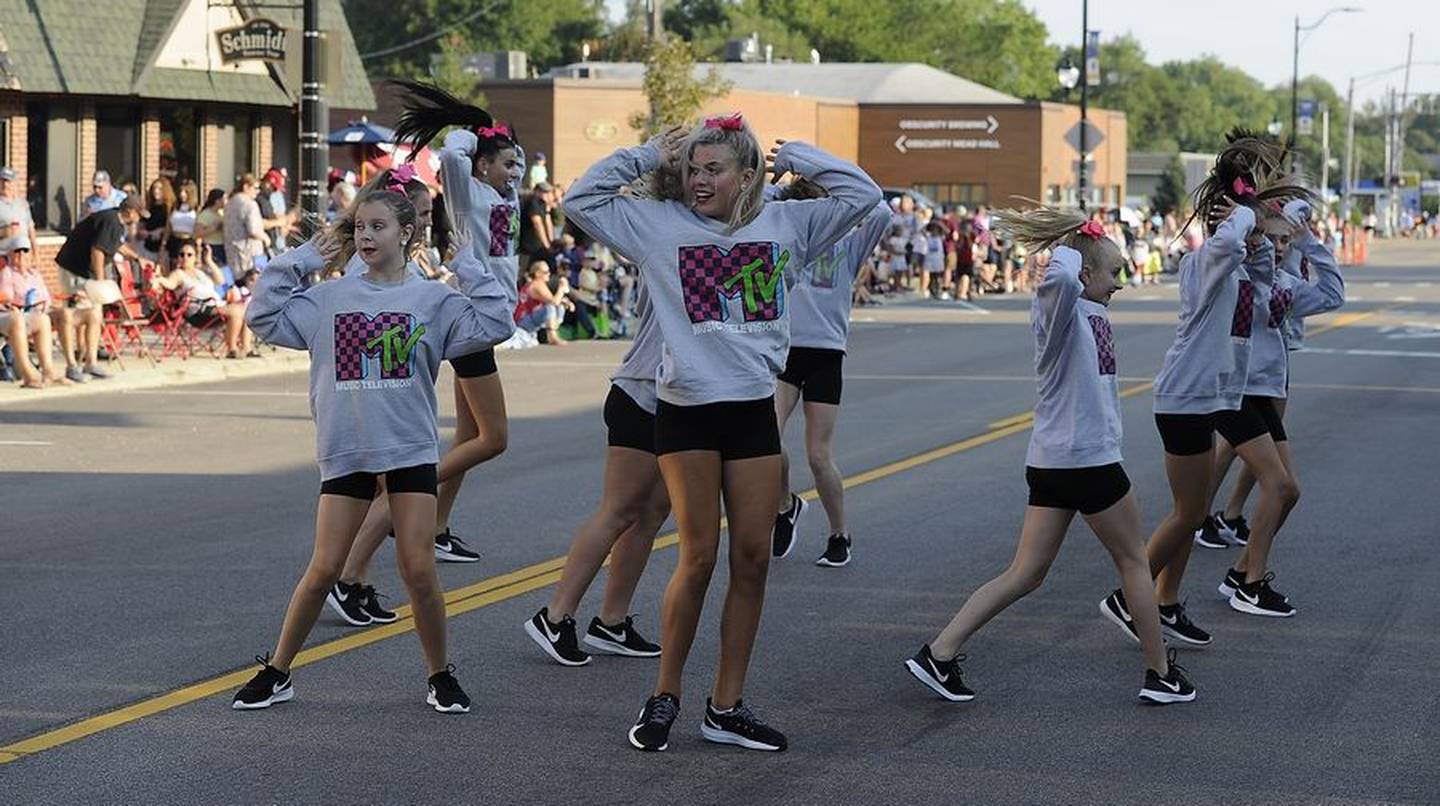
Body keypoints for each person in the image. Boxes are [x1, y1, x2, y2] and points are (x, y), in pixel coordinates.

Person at [565, 113, 882, 753]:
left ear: (747, 175)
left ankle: (726, 705)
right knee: (699, 555)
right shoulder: (657, 227)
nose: (698, 179)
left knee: (754, 558)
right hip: (685, 411)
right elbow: (581, 198)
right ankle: (665, 694)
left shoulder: (788, 224)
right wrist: (649, 152)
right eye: (691, 168)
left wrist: (799, 154)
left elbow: (864, 195)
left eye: (713, 169)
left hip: (752, 413)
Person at [232, 184, 516, 713]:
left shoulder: (435, 300)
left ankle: (440, 674)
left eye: (378, 226)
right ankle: (278, 670)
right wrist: (301, 259)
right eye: (360, 226)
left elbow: (497, 325)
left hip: (408, 452)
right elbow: (262, 316)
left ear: (407, 234)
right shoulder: (327, 298)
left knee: (419, 568)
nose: (365, 234)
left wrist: (469, 269)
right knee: (322, 570)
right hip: (347, 453)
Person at [904, 208, 1195, 706]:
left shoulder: (1093, 311)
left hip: (1057, 460)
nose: (1121, 282)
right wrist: (1072, 235)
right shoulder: (1059, 307)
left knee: (1027, 573)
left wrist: (1086, 245)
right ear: (1085, 274)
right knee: (1133, 564)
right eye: (1114, 272)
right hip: (1086, 461)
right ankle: (1160, 672)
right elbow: (1059, 273)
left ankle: (940, 652)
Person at [1100, 132, 1320, 645]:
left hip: (1212, 398)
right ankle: (1127, 598)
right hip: (1183, 397)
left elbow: (1265, 275)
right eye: (1249, 218)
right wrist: (1242, 207)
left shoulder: (1243, 267)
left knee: (1194, 512)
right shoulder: (1207, 262)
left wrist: (1263, 231)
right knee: (1187, 514)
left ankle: (1166, 600)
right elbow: (1227, 240)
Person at [321, 86, 528, 623]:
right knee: (489, 439)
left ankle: (426, 529)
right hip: (467, 319)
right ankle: (356, 565)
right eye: (508, 163)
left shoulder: (503, 198)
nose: (517, 173)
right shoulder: (467, 194)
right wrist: (471, 131)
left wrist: (492, 135)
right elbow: (456, 157)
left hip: (478, 318)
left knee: (467, 437)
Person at [1199, 199, 1344, 615]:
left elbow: (1333, 294)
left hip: (1262, 393)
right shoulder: (1232, 275)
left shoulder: (1285, 283)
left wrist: (1308, 242)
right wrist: (1242, 223)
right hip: (1231, 392)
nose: (1278, 246)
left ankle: (1240, 573)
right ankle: (1251, 584)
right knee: (1276, 487)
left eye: (1285, 240)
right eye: (1271, 237)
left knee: (1289, 492)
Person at [526, 278, 669, 665]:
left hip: (675, 400)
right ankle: (555, 616)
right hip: (642, 394)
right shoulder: (670, 247)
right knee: (618, 510)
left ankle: (611, 622)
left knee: (652, 513)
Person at [770, 180, 891, 567]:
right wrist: (785, 177)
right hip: (785, 351)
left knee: (819, 456)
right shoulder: (785, 238)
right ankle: (785, 504)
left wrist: (818, 170)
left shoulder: (850, 244)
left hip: (825, 353)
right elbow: (758, 201)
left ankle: (840, 534)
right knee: (766, 440)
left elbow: (881, 209)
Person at [54, 195, 148, 379]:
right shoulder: (111, 222)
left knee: (95, 315)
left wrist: (137, 258)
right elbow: (97, 251)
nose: (139, 219)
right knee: (77, 315)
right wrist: (100, 281)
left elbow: (116, 245)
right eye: (139, 214)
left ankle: (91, 362)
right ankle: (74, 364)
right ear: (130, 211)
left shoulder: (114, 220)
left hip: (83, 271)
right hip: (75, 270)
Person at [151, 240, 254, 358]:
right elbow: (169, 283)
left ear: (195, 257)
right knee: (236, 310)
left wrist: (209, 261)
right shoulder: (178, 274)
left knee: (246, 309)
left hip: (214, 306)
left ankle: (246, 347)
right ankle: (232, 349)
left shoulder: (200, 272)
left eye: (189, 255)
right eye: (182, 254)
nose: (185, 257)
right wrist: (158, 279)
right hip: (197, 311)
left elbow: (220, 281)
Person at [515, 260, 572, 345]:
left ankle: (553, 332)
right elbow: (553, 302)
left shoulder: (538, 284)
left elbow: (552, 300)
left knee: (559, 306)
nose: (549, 274)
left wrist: (565, 302)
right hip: (523, 321)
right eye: (546, 272)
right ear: (537, 273)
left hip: (528, 319)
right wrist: (561, 288)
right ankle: (552, 336)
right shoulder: (536, 284)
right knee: (550, 307)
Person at [223, 175, 268, 276]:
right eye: (255, 188)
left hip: (232, 252)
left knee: (237, 285)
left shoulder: (230, 203)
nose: (258, 191)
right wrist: (265, 238)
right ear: (246, 187)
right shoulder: (250, 204)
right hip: (250, 254)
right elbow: (253, 230)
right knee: (257, 283)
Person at [139, 178, 175, 262]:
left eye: (159, 188)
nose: (156, 191)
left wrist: (155, 232)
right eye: (154, 188)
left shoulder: (169, 208)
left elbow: (169, 227)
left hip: (164, 248)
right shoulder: (149, 207)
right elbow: (143, 224)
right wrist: (142, 231)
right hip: (147, 247)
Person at [195, 189, 227, 270]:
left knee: (224, 270)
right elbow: (198, 233)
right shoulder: (205, 214)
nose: (226, 201)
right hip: (211, 246)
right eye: (224, 199)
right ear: (217, 201)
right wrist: (213, 228)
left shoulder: (221, 213)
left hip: (222, 245)